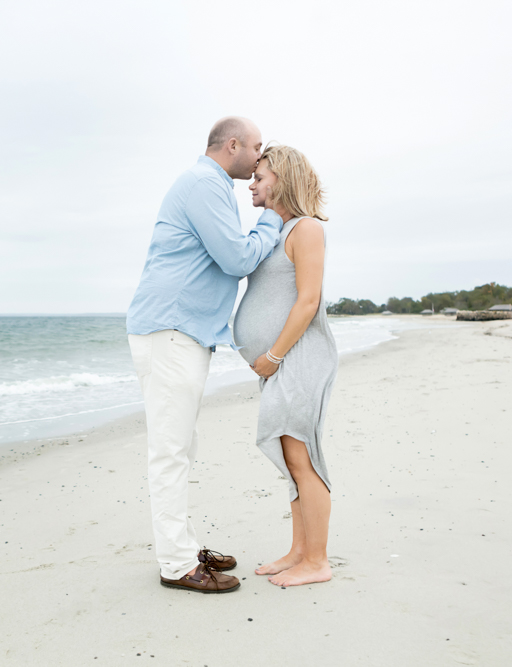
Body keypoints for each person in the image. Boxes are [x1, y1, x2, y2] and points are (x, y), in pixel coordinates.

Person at [126, 117, 284, 593]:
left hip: (180, 331)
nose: (259, 156)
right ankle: (176, 564)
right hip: (171, 330)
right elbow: (237, 258)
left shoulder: (209, 185)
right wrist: (272, 219)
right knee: (171, 451)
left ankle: (183, 545)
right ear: (232, 145)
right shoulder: (204, 184)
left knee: (181, 445)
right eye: (256, 147)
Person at [233, 144, 338, 587]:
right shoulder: (275, 231)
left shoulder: (306, 228)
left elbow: (308, 301)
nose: (252, 185)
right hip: (281, 362)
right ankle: (299, 551)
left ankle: (317, 561)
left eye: (260, 177)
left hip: (298, 359)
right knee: (290, 459)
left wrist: (274, 356)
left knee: (302, 456)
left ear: (283, 179)